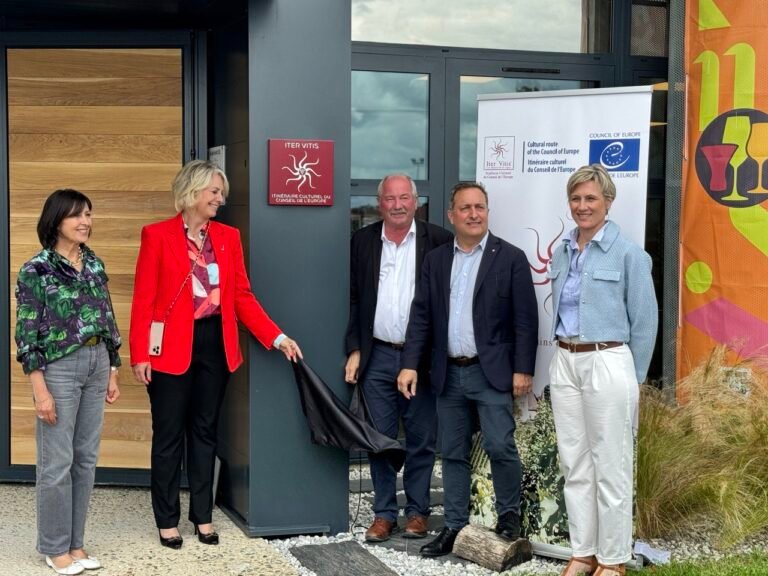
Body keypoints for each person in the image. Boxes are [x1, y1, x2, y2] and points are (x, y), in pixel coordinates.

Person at [129, 160, 302, 549]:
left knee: (205, 433)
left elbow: (241, 295)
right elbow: (143, 301)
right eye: (214, 192)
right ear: (192, 193)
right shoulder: (156, 236)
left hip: (215, 344)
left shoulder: (227, 237)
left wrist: (276, 337)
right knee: (169, 435)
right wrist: (140, 354)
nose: (220, 199)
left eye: (221, 193)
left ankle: (203, 516)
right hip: (170, 348)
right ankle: (167, 519)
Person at [397, 182, 538, 557]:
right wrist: (410, 364)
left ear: (487, 212)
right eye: (465, 208)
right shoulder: (437, 260)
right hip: (448, 373)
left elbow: (526, 320)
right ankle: (456, 528)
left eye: (480, 207)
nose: (474, 214)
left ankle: (509, 518)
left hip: (490, 372)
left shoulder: (510, 257)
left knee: (499, 445)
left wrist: (523, 369)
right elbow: (422, 316)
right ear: (451, 215)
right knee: (453, 452)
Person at [548, 165, 657, 576]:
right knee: (574, 464)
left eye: (591, 199)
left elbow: (645, 322)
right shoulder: (562, 250)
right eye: (576, 199)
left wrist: (635, 379)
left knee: (611, 464)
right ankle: (583, 553)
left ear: (608, 202)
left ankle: (612, 560)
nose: (582, 206)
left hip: (608, 360)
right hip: (565, 360)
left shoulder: (629, 253)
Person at [16, 189, 121, 575]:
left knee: (86, 460)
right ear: (56, 220)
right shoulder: (36, 269)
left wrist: (113, 367)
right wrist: (39, 389)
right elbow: (27, 333)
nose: (85, 222)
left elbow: (107, 317)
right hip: (58, 368)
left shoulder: (93, 263)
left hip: (96, 364)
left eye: (89, 215)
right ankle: (54, 547)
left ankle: (76, 544)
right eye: (77, 215)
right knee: (56, 462)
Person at [345, 174, 452, 542]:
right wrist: (355, 349)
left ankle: (418, 513)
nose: (397, 204)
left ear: (416, 202)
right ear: (380, 204)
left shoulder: (438, 240)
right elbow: (355, 299)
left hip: (420, 358)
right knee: (379, 438)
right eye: (390, 199)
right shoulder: (362, 241)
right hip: (376, 355)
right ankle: (383, 514)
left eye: (404, 197)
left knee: (422, 438)